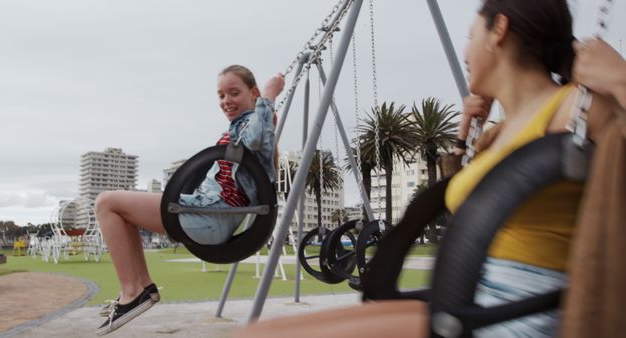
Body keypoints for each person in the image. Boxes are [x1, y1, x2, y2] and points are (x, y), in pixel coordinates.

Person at [235, 1, 625, 337]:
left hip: (515, 317)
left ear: (499, 30)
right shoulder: (497, 133)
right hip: (467, 303)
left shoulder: (575, 107)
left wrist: (620, 78)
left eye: (471, 35)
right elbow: (470, 215)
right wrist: (462, 142)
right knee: (260, 332)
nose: (466, 49)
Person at [94, 65, 284, 335]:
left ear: (252, 93)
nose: (226, 101)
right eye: (220, 95)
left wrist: (268, 96)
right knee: (121, 210)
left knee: (106, 203)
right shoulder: (245, 125)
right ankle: (142, 288)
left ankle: (132, 292)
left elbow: (255, 138)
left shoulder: (254, 126)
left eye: (234, 93)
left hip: (210, 217)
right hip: (205, 210)